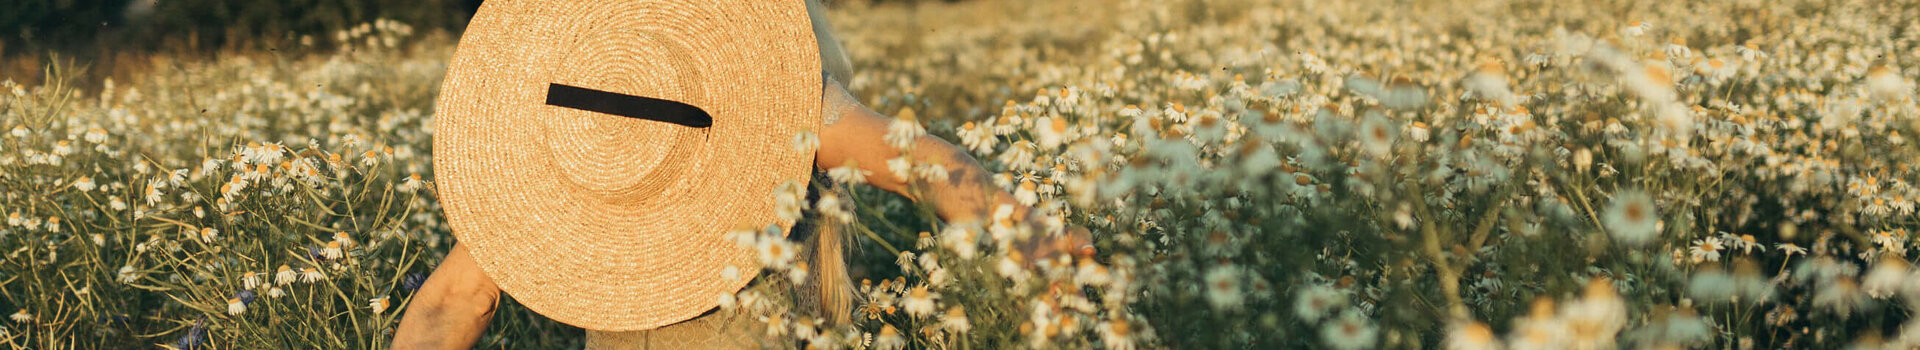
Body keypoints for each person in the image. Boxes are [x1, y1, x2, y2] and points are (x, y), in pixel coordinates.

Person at [392, 0, 1090, 348]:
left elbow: (453, 301)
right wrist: (1028, 234)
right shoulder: (765, 86)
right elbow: (908, 159)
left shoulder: (558, 137)